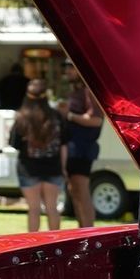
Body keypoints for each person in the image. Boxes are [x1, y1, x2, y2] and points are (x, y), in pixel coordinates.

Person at [58, 59, 105, 227]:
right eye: (66, 67)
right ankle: (82, 230)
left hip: (83, 148)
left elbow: (96, 120)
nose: (67, 71)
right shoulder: (74, 91)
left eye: (71, 67)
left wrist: (69, 115)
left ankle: (89, 231)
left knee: (81, 189)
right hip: (72, 147)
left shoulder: (89, 91)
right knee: (74, 190)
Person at [8, 95, 65, 232]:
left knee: (34, 209)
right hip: (53, 167)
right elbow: (64, 143)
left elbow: (14, 143)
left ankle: (34, 242)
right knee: (52, 208)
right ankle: (56, 240)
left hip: (29, 169)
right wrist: (64, 168)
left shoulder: (22, 117)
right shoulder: (56, 116)